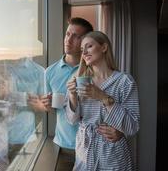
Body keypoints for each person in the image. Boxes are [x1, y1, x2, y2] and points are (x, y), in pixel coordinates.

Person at [28, 17, 123, 167]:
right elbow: (55, 109)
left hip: (95, 147)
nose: (69, 40)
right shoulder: (50, 72)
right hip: (64, 146)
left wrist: (120, 130)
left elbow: (108, 108)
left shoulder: (98, 71)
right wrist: (46, 105)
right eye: (68, 34)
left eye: (76, 36)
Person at [66, 31, 140, 170]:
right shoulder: (79, 81)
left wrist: (103, 97)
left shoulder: (124, 81)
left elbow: (132, 126)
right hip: (84, 154)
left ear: (104, 47)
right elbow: (72, 120)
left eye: (89, 46)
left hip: (112, 156)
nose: (84, 52)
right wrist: (72, 95)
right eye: (82, 49)